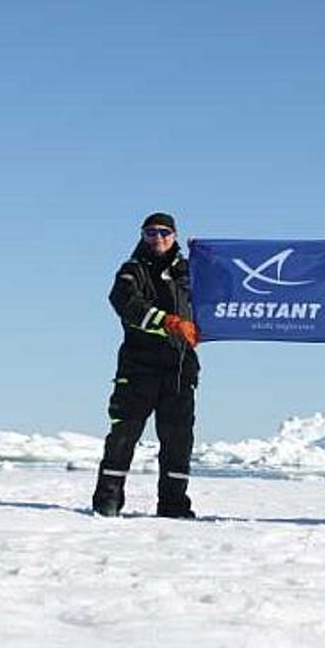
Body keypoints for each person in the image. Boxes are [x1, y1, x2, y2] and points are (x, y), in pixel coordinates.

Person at [92, 212, 201, 518]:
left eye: (164, 232)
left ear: (175, 236)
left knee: (178, 439)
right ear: (142, 235)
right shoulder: (133, 269)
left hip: (180, 369)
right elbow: (124, 302)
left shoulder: (191, 272)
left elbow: (223, 298)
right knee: (123, 435)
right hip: (138, 367)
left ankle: (173, 505)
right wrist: (167, 321)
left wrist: (209, 257)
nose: (158, 238)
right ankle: (107, 502)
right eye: (151, 232)